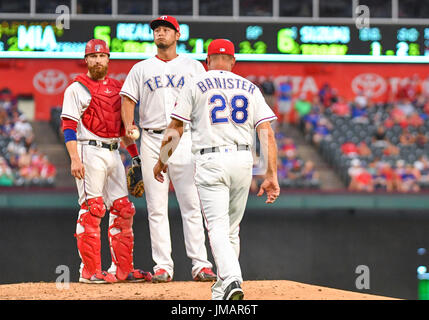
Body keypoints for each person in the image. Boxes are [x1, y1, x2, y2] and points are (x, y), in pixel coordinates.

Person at [153, 39, 280, 300]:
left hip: (211, 160)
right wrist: (270, 175)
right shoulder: (250, 88)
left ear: (207, 61)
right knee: (232, 229)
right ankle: (223, 286)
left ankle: (232, 279)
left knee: (218, 228)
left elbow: (176, 128)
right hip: (244, 160)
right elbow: (266, 133)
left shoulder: (195, 84)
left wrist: (162, 161)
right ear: (233, 61)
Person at [120, 15, 216, 283]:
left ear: (177, 35)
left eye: (166, 29)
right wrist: (129, 124)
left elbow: (206, 103)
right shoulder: (141, 68)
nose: (160, 33)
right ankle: (163, 266)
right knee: (156, 207)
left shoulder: (194, 67)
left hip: (184, 138)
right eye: (157, 30)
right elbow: (128, 99)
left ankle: (201, 265)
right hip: (151, 138)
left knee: (191, 204)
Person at [60, 39, 152, 284]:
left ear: (108, 59)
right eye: (93, 56)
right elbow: (68, 127)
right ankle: (89, 271)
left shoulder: (117, 87)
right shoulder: (76, 88)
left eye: (102, 56)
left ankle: (122, 270)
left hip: (113, 152)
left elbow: (123, 127)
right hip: (88, 151)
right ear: (86, 59)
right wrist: (74, 159)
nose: (98, 60)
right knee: (93, 210)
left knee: (123, 209)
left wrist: (135, 155)